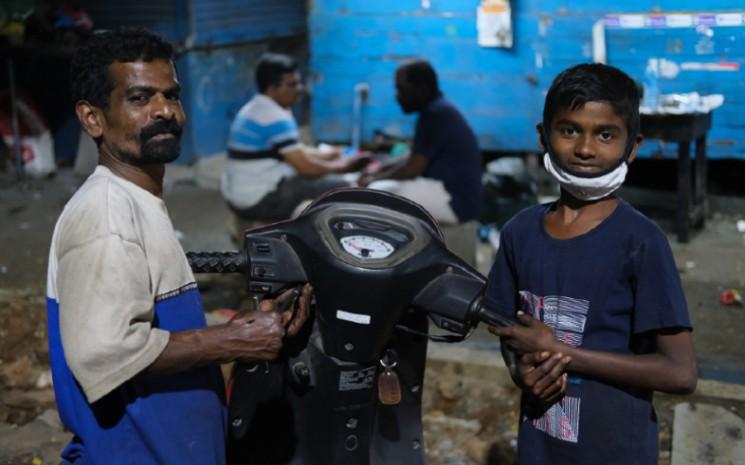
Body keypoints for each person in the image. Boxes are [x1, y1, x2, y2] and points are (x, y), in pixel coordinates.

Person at [46, 27, 311, 465]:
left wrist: (245, 331)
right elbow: (105, 352)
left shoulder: (137, 201)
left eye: (172, 95)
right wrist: (228, 341)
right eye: (139, 98)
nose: (165, 111)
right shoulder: (107, 214)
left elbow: (156, 333)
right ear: (92, 118)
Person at [487, 63, 697, 465]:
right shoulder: (519, 233)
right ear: (543, 135)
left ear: (632, 147)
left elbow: (680, 373)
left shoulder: (640, 242)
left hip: (614, 450)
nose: (585, 148)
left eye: (605, 134)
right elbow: (510, 333)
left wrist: (562, 352)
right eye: (569, 130)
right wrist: (521, 372)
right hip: (539, 447)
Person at [221, 53, 369, 221]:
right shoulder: (274, 116)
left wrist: (330, 154)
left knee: (321, 177)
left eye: (298, 82)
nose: (299, 88)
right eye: (291, 85)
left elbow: (296, 151)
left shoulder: (256, 107)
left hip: (236, 195)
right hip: (257, 200)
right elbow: (305, 167)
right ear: (272, 89)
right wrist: (343, 167)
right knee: (344, 187)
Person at [360, 59, 483, 225]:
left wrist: (374, 179)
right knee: (377, 188)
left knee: (373, 193)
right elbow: (411, 157)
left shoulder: (435, 115)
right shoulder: (438, 109)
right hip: (448, 194)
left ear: (422, 89)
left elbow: (412, 169)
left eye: (401, 89)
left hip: (454, 202)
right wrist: (377, 171)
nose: (397, 96)